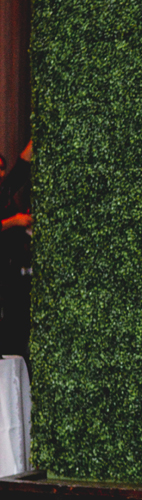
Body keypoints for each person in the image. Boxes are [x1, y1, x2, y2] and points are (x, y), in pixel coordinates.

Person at [0, 140, 33, 359]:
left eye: (1, 168)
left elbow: (21, 167)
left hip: (9, 270)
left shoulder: (4, 192)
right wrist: (15, 222)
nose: (0, 173)